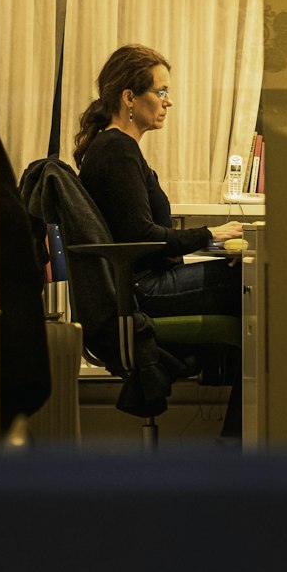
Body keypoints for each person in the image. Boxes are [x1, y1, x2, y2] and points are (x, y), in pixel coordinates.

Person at [74, 44, 245, 437]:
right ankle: (238, 445)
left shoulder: (118, 148)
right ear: (129, 98)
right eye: (162, 92)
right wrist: (210, 235)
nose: (169, 102)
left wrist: (209, 243)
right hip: (143, 291)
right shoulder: (116, 149)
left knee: (252, 295)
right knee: (255, 286)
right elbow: (141, 236)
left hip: (141, 285)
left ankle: (236, 440)